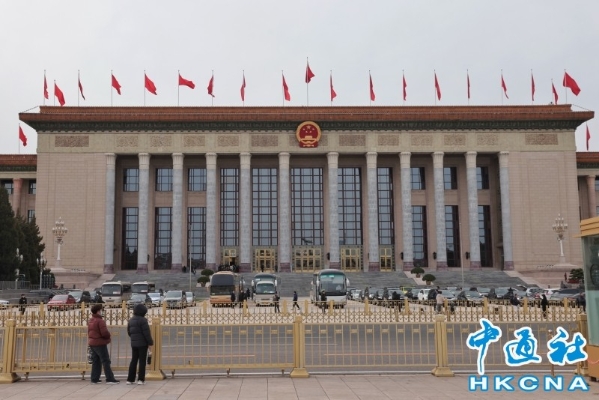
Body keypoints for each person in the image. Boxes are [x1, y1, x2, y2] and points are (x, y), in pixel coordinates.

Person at [88, 304, 119, 384]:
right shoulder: (100, 321)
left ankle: (94, 378)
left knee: (96, 361)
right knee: (105, 361)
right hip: (100, 343)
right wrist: (108, 337)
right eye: (101, 310)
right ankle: (110, 378)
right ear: (98, 311)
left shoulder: (91, 320)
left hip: (92, 343)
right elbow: (104, 332)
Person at [126, 304, 153, 385]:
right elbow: (147, 333)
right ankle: (141, 379)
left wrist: (134, 339)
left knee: (133, 361)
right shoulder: (143, 320)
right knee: (142, 361)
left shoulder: (131, 320)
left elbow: (129, 332)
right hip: (142, 344)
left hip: (134, 343)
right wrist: (150, 342)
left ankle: (130, 379)